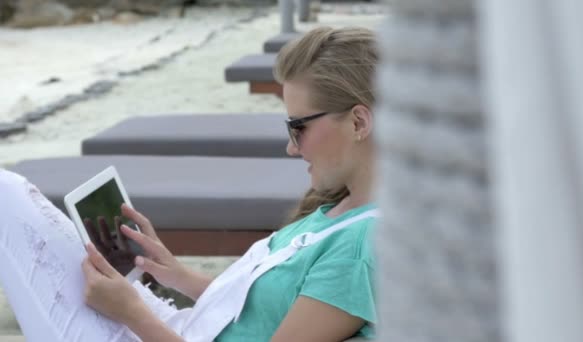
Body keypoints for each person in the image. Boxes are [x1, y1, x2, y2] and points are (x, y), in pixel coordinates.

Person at [0, 26, 379, 341]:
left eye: (299, 127)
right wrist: (175, 275)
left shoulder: (362, 248)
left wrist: (132, 313)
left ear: (359, 123)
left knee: (6, 197)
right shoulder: (343, 208)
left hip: (160, 331)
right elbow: (261, 313)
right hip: (183, 327)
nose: (290, 147)